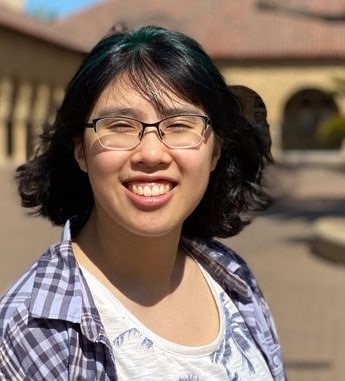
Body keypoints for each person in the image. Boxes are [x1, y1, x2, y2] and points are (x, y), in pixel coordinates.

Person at [0, 25, 286, 380]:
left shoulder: (232, 278)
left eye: (181, 124)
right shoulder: (29, 333)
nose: (151, 153)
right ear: (80, 151)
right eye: (120, 125)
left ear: (215, 151)